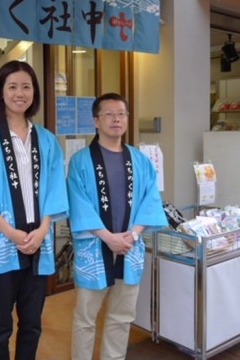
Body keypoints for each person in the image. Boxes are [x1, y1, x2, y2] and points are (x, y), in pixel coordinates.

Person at [0, 60, 69, 360]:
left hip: (38, 245)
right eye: (12, 86)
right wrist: (10, 232)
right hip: (0, 246)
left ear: (34, 92)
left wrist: (44, 228)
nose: (20, 93)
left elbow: (54, 189)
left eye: (26, 86)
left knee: (32, 324)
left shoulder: (46, 140)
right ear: (1, 92)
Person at [67, 92, 168, 360]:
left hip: (130, 248)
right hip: (94, 249)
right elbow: (79, 205)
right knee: (85, 317)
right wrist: (108, 238)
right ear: (96, 121)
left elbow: (151, 199)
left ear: (127, 119)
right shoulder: (80, 162)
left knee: (122, 316)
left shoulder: (140, 160)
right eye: (109, 114)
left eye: (121, 114)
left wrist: (133, 236)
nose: (116, 119)